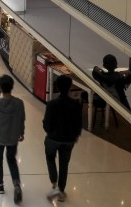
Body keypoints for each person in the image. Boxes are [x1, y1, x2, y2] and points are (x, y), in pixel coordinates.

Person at [43, 74, 82, 202]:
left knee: (50, 158)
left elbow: (47, 124)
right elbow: (79, 124)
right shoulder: (76, 104)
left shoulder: (52, 104)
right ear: (70, 87)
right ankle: (61, 190)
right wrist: (75, 136)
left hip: (53, 138)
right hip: (69, 140)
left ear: (57, 88)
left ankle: (54, 185)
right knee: (64, 164)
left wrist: (49, 131)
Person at [0, 74, 25, 202]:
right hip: (13, 137)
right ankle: (16, 185)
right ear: (12, 87)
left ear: (1, 87)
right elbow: (22, 119)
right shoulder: (19, 103)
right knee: (11, 160)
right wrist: (21, 132)